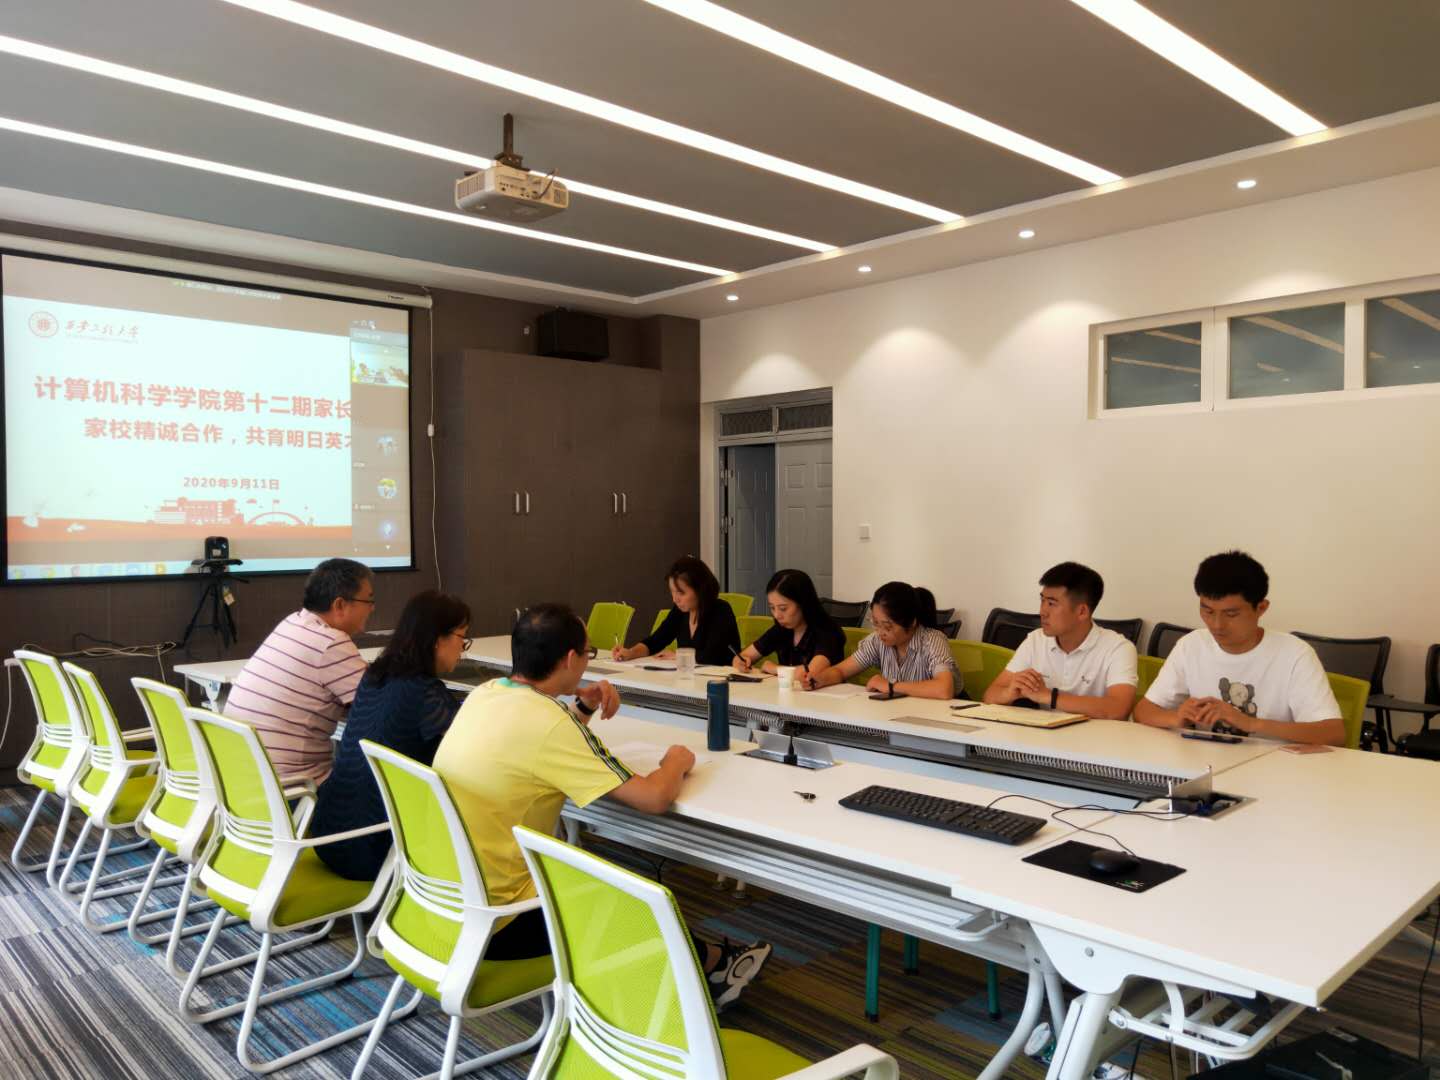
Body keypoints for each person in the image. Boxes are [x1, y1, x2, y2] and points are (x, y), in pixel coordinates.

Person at [435, 603, 772, 1007]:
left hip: (443, 902)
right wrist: (676, 762)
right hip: (503, 923)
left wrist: (584, 706)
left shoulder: (486, 694)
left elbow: (541, 745)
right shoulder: (550, 724)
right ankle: (707, 977)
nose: (588, 662)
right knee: (641, 899)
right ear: (570, 659)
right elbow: (653, 798)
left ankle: (709, 962)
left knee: (607, 881)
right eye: (588, 653)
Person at [310, 590, 469, 880]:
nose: (463, 649)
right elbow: (469, 752)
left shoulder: (374, 677)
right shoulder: (427, 695)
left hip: (328, 833)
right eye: (462, 638)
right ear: (437, 640)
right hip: (376, 849)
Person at [1134, 551, 1344, 745]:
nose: (1217, 625)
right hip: (1203, 764)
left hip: (1272, 767)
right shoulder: (1191, 645)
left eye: (1231, 614)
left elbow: (1333, 734)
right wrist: (1176, 717)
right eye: (1207, 611)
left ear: (1261, 608)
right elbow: (1143, 711)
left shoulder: (1294, 654)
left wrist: (1250, 723)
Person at [225, 558, 373, 782]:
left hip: (245, 783)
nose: (372, 608)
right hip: (294, 789)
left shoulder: (292, 623)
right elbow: (376, 706)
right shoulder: (330, 642)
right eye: (368, 600)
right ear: (340, 605)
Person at [984, 562, 1137, 720]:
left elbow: (1118, 709)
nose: (1042, 612)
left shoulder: (1118, 648)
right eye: (1042, 601)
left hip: (1097, 735)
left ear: (1082, 612)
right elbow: (990, 696)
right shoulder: (1036, 640)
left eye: (1051, 603)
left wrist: (1049, 696)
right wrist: (1009, 692)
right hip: (1045, 733)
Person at [803, 581, 960, 699]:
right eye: (876, 623)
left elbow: (944, 689)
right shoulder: (877, 641)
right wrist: (820, 679)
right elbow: (841, 671)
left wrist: (891, 686)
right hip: (897, 715)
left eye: (887, 626)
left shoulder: (932, 641)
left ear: (912, 622)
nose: (880, 632)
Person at [612, 555, 740, 666]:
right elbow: (656, 640)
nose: (675, 599)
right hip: (690, 679)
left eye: (681, 593)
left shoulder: (721, 611)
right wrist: (630, 653)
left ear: (700, 590)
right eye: (672, 592)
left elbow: (712, 656)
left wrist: (678, 656)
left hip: (722, 681)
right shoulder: (680, 611)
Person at [733, 568, 845, 679]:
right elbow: (742, 657)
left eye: (783, 608)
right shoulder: (782, 628)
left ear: (803, 604)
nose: (777, 615)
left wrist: (774, 668)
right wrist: (742, 661)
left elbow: (810, 673)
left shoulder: (828, 631)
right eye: (772, 608)